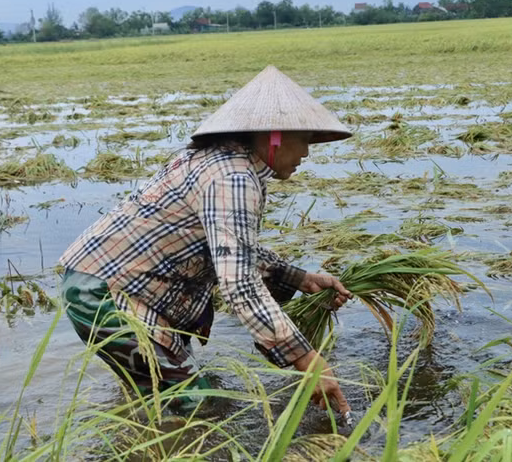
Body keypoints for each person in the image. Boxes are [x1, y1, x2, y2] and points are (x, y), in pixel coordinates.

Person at [59, 65, 353, 414]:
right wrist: (308, 360)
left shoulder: (226, 162)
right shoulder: (233, 177)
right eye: (304, 140)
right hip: (107, 296)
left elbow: (230, 249)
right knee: (198, 411)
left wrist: (299, 279)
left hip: (110, 286)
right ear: (275, 136)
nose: (306, 153)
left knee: (161, 399)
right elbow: (240, 284)